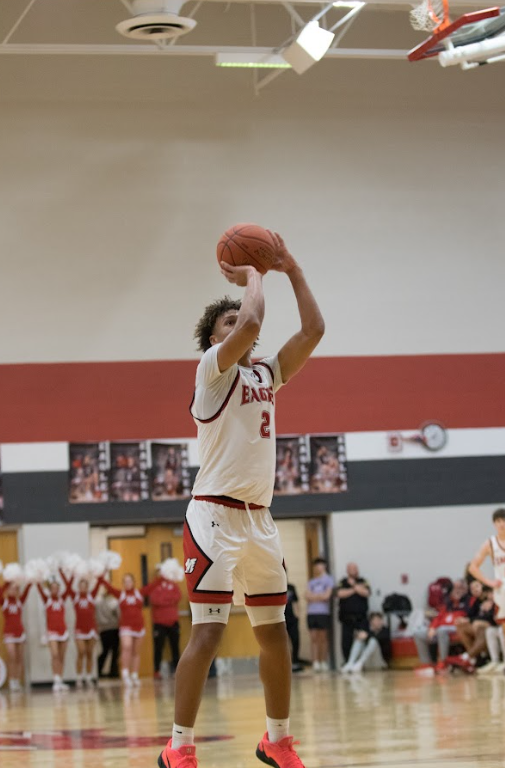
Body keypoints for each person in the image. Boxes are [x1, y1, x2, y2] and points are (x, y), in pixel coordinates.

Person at [158, 233, 325, 768]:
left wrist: (291, 267)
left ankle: (276, 740)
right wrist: (256, 271)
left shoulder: (266, 374)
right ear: (211, 340)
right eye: (225, 323)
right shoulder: (212, 372)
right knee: (207, 632)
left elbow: (314, 330)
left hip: (260, 520)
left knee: (275, 634)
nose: (239, 325)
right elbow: (251, 323)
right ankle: (179, 746)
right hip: (212, 514)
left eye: (239, 320)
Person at [98, 572, 162, 687]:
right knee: (126, 647)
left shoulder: (139, 593)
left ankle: (134, 675)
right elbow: (109, 587)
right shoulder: (120, 594)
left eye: (129, 581)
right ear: (123, 583)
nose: (127, 583)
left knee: (136, 652)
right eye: (125, 581)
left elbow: (153, 586)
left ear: (133, 582)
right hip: (125, 627)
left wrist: (162, 576)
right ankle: (125, 674)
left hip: (139, 626)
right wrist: (101, 577)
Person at [468, 507, 505, 666]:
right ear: (494, 524)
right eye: (498, 521)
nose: (502, 524)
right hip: (502, 590)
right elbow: (473, 567)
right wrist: (489, 582)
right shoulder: (490, 543)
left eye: (503, 520)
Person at [413, 580, 469, 669]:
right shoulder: (448, 603)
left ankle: (443, 662)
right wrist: (432, 628)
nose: (457, 591)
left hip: (455, 628)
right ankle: (426, 663)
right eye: (455, 589)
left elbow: (466, 617)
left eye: (460, 588)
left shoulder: (467, 602)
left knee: (442, 630)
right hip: (440, 629)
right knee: (418, 633)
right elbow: (438, 617)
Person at [59, 569, 100, 688]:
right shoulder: (75, 597)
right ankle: (78, 677)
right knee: (81, 652)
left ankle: (88, 677)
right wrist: (65, 572)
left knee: (89, 653)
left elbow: (99, 583)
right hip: (80, 629)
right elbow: (67, 586)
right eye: (80, 586)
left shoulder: (92, 596)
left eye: (85, 586)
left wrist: (102, 570)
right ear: (78, 587)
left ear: (88, 587)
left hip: (91, 629)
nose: (82, 588)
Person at [36, 577, 72, 692]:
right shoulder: (46, 599)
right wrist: (38, 576)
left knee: (62, 657)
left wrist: (65, 573)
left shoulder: (62, 599)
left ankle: (60, 679)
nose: (55, 590)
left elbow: (69, 586)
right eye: (53, 588)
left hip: (63, 631)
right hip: (52, 632)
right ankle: (56, 679)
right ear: (50, 589)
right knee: (55, 655)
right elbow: (39, 588)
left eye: (57, 588)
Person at [150, 567, 183, 679]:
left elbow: (178, 597)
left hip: (173, 622)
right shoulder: (154, 586)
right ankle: (156, 671)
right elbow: (155, 600)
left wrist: (164, 600)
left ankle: (177, 670)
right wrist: (168, 600)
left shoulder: (173, 585)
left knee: (175, 647)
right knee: (158, 648)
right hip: (159, 623)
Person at [0, 578, 31, 691]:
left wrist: (30, 580)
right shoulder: (5, 602)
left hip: (20, 632)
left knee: (19, 658)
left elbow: (27, 591)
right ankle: (12, 680)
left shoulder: (19, 601)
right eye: (11, 589)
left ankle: (17, 680)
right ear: (7, 590)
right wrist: (8, 582)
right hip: (9, 633)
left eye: (15, 589)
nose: (13, 591)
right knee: (11, 656)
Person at [336, 563, 371, 662]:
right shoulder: (342, 582)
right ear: (347, 570)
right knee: (346, 642)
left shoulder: (363, 581)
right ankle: (347, 662)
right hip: (346, 617)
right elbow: (339, 594)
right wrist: (355, 589)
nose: (354, 570)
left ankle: (359, 662)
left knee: (363, 639)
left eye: (355, 568)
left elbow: (366, 593)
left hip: (361, 617)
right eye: (351, 568)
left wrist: (354, 585)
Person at [306, 558, 334, 672]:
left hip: (323, 613)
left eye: (320, 565)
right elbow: (307, 596)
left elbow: (327, 596)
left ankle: (323, 661)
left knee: (323, 638)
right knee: (314, 638)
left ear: (324, 566)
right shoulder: (311, 582)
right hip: (311, 613)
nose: (318, 567)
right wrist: (319, 596)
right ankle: (315, 662)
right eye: (316, 565)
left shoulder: (329, 580)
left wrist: (314, 596)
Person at [96, 589, 120, 679]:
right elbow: (118, 615)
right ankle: (113, 671)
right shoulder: (114, 602)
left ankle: (98, 670)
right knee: (114, 652)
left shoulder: (97, 602)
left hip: (102, 629)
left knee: (104, 651)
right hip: (113, 628)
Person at [285, 579, 302, 672]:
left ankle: (295, 661)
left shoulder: (291, 587)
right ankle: (286, 662)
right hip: (281, 618)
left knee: (295, 639)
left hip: (292, 618)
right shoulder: (275, 586)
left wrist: (297, 615)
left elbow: (296, 602)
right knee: (284, 642)